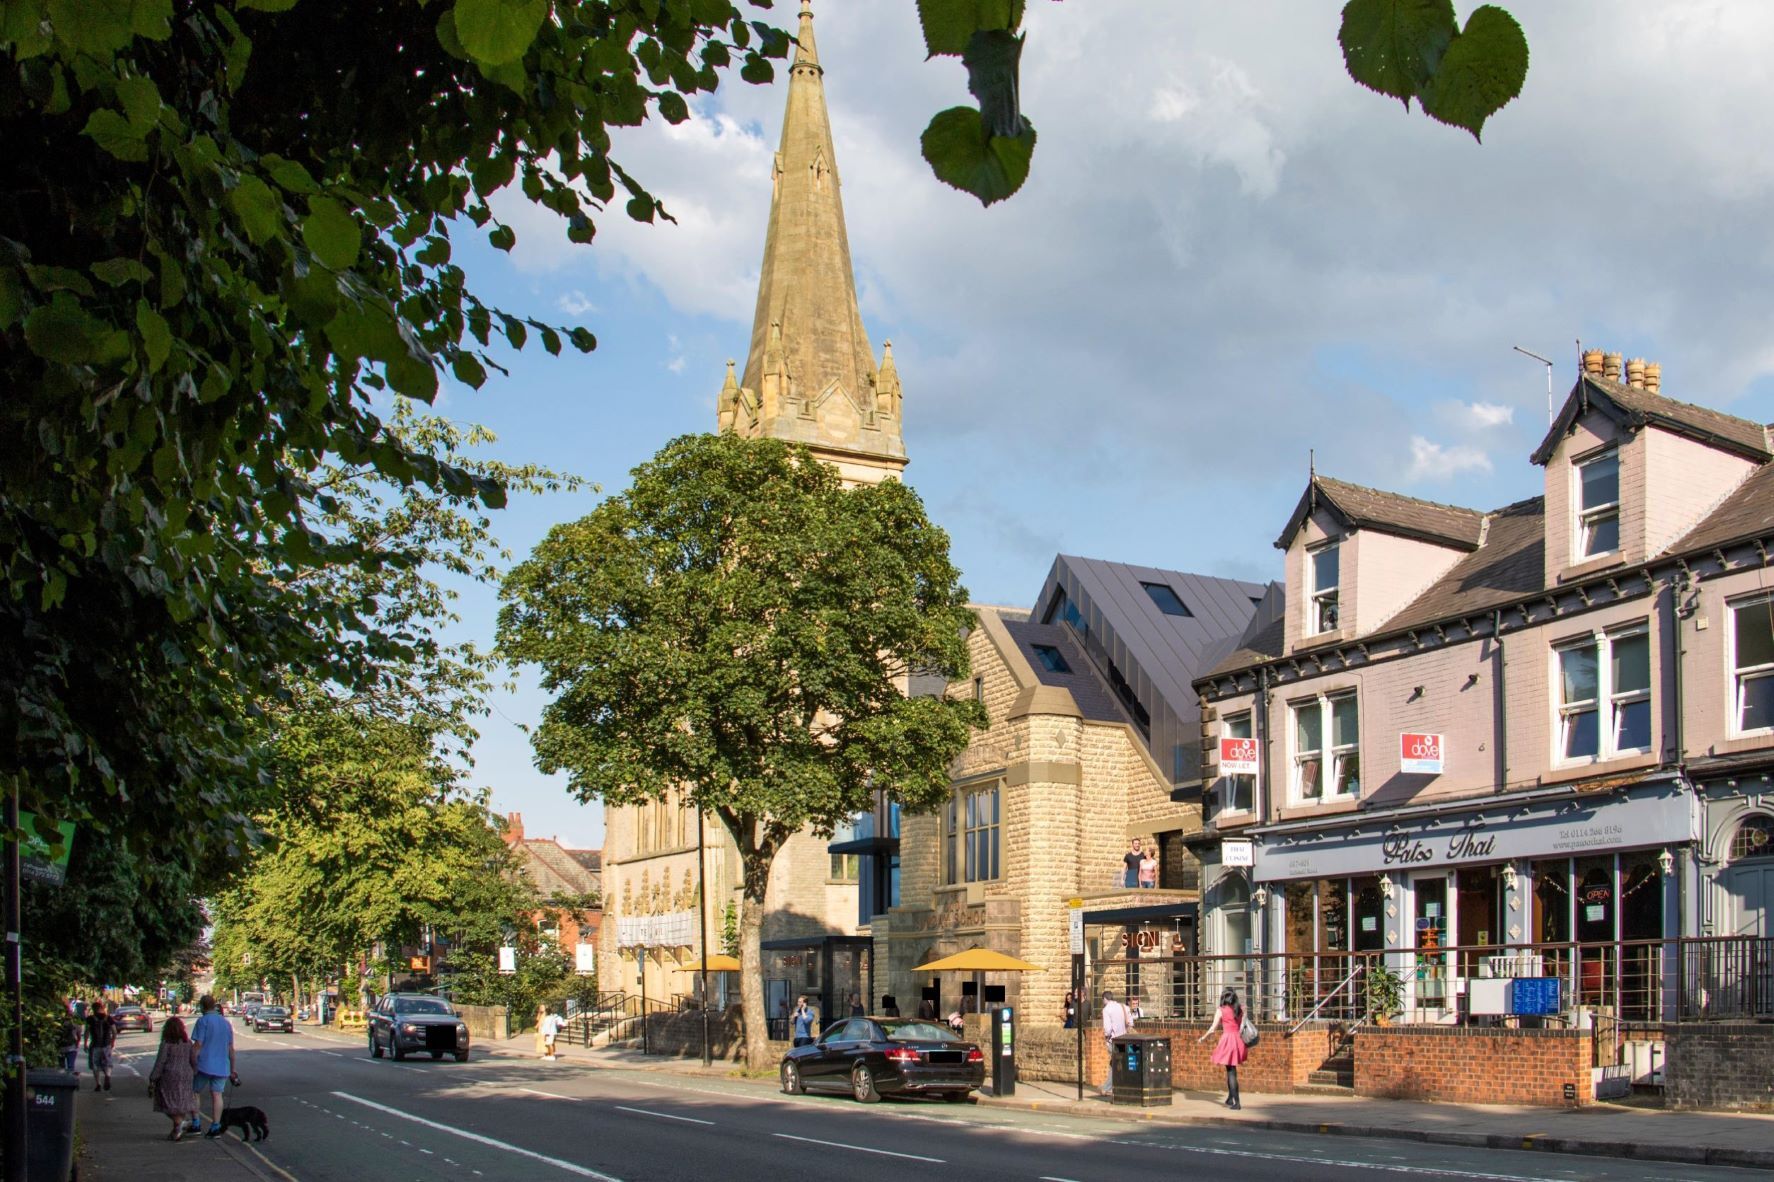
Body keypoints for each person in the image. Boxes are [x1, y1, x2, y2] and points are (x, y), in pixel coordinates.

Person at [191, 994, 237, 1138]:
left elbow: (198, 1044)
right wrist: (233, 1069)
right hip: (222, 1066)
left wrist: (192, 1062)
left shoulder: (202, 1021)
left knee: (194, 1092)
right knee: (217, 1095)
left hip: (204, 1064)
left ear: (202, 1006)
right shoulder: (225, 1023)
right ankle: (215, 1127)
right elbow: (231, 1048)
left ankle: (196, 1124)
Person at [1198, 987, 1248, 1109]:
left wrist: (1203, 1038)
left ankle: (1237, 1102)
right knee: (1232, 1070)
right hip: (1238, 1040)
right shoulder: (1240, 1009)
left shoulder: (1221, 1010)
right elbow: (1243, 1026)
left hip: (1228, 1040)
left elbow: (1212, 1028)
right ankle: (1231, 1098)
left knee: (1231, 1072)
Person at [148, 1017, 198, 1141]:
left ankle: (181, 1123)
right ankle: (176, 1132)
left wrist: (153, 1077)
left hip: (169, 1076)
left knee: (166, 1102)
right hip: (186, 1075)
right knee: (181, 1102)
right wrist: (194, 1072)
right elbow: (193, 1060)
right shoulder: (188, 1043)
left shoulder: (166, 1044)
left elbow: (161, 1062)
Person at [1099, 989, 1130, 1096]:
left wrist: (1106, 1037)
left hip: (1114, 1041)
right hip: (1124, 1040)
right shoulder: (1123, 1007)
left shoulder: (1106, 1009)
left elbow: (1107, 1029)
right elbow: (1130, 1022)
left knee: (1116, 1064)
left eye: (1102, 1000)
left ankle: (1107, 1087)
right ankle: (1113, 1086)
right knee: (1117, 1062)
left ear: (1104, 999)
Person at [84, 999, 116, 1092]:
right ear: (101, 1008)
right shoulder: (108, 1018)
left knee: (95, 1065)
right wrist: (113, 1041)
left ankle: (98, 1084)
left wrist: (85, 1043)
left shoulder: (90, 1019)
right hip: (106, 1044)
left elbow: (86, 1032)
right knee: (108, 1063)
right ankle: (107, 1076)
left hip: (95, 1045)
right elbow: (114, 1032)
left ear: (93, 1009)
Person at [57, 1002, 81, 1074]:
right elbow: (79, 1036)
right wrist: (77, 1043)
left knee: (61, 1067)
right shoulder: (75, 1024)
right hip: (71, 1047)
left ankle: (61, 1081)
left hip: (60, 1047)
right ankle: (70, 1080)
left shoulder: (57, 1023)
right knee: (71, 1066)